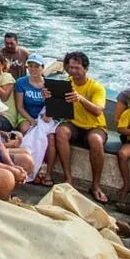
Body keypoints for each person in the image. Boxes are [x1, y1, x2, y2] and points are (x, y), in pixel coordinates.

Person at [50, 51, 110, 203]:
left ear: (85, 69)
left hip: (95, 126)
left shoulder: (97, 87)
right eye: (70, 68)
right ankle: (68, 179)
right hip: (74, 124)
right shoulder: (66, 83)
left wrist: (80, 99)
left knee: (95, 140)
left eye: (77, 68)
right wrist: (49, 95)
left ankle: (95, 185)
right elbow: (57, 108)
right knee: (61, 132)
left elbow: (97, 110)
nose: (73, 71)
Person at [15, 54, 57, 185]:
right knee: (26, 129)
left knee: (50, 138)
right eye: (30, 66)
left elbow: (52, 106)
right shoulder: (21, 82)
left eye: (36, 66)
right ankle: (27, 166)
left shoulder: (49, 84)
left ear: (43, 68)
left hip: (44, 116)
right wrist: (32, 121)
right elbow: (20, 107)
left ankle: (46, 171)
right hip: (26, 115)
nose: (32, 69)